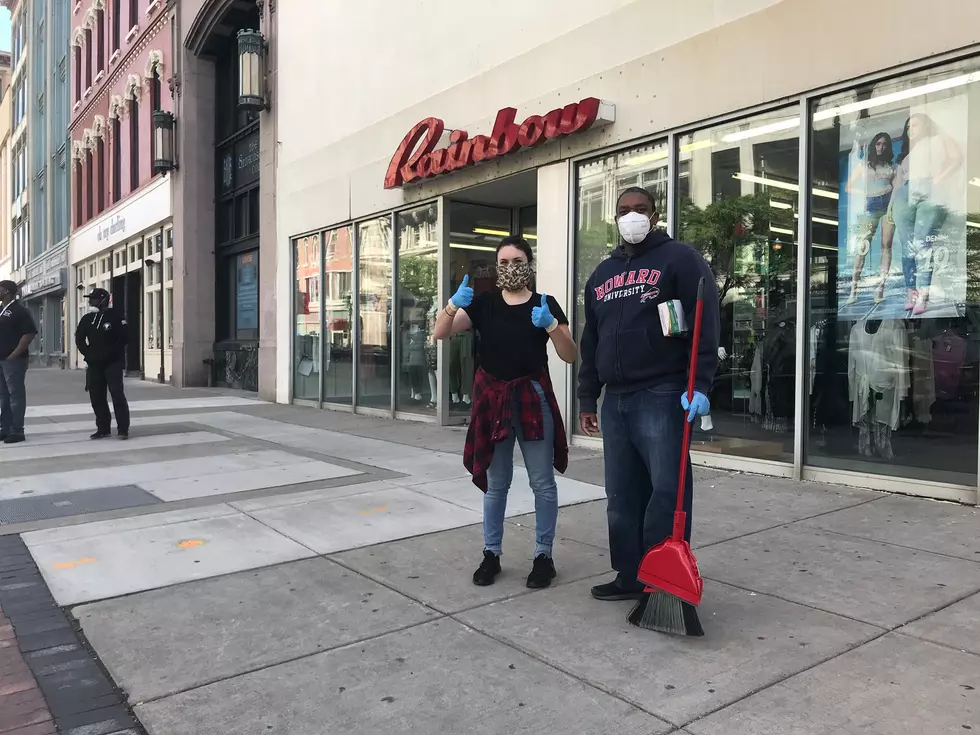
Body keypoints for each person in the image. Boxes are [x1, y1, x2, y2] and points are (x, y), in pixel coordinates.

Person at [578, 187, 719, 601]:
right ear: (615, 218)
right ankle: (629, 575)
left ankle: (662, 578)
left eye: (640, 210)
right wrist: (589, 397)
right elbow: (593, 340)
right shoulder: (602, 274)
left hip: (662, 392)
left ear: (654, 215)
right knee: (621, 495)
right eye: (624, 211)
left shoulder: (680, 258)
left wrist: (701, 385)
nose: (632, 217)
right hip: (616, 400)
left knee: (665, 493)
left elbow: (704, 322)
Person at [433, 235, 578, 589]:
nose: (510, 267)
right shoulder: (484, 305)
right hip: (493, 401)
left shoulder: (546, 304)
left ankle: (544, 556)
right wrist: (452, 305)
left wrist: (548, 325)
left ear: (529, 263)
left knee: (542, 483)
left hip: (532, 398)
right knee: (497, 484)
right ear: (496, 267)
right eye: (503, 262)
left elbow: (570, 354)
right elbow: (440, 333)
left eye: (516, 261)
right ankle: (491, 554)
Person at [891, 113, 963, 316]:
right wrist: (890, 207)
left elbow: (957, 158)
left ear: (926, 126)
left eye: (915, 124)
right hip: (906, 193)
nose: (911, 129)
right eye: (908, 127)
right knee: (907, 244)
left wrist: (938, 179)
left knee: (923, 243)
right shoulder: (908, 155)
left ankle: (923, 293)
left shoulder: (941, 139)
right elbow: (898, 184)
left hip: (929, 187)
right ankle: (910, 292)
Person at [844, 131, 897, 305]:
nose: (881, 147)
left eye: (884, 144)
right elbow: (849, 187)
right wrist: (866, 193)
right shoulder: (864, 166)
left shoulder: (892, 166)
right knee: (862, 246)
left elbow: (895, 188)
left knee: (886, 246)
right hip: (871, 205)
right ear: (874, 145)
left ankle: (880, 288)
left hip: (888, 204)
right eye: (878, 143)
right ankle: (854, 289)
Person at [75, 288, 131, 440]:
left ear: (104, 300)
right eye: (90, 298)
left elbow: (124, 338)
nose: (90, 301)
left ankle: (123, 428)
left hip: (112, 362)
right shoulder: (87, 319)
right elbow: (79, 338)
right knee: (97, 396)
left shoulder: (116, 317)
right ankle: (103, 427)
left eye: (93, 299)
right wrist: (88, 353)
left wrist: (111, 353)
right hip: (94, 364)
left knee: (117, 394)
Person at [0, 280, 37, 445]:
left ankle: (17, 430)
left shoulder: (19, 310)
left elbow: (28, 334)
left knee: (15, 395)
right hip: (1, 360)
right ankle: (5, 428)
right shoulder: (2, 310)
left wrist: (14, 355)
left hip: (13, 360)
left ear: (7, 291)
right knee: (3, 396)